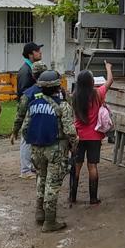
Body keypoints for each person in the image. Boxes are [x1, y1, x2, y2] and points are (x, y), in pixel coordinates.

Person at [20, 70, 76, 232]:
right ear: (57, 86)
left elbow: (25, 129)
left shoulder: (34, 103)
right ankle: (50, 221)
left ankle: (40, 213)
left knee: (41, 179)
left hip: (37, 148)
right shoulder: (62, 105)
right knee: (53, 183)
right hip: (56, 148)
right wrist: (74, 145)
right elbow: (70, 131)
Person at [70, 61, 114, 206]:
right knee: (92, 166)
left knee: (76, 166)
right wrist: (108, 68)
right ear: (91, 82)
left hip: (78, 136)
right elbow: (110, 81)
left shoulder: (74, 96)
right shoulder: (98, 94)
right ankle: (93, 198)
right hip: (94, 137)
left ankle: (72, 196)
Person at [16, 42, 44, 178]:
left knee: (32, 139)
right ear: (30, 54)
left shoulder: (30, 68)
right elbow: (23, 93)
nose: (40, 53)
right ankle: (25, 170)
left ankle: (30, 166)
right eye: (37, 51)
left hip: (34, 108)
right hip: (29, 109)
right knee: (26, 139)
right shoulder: (25, 71)